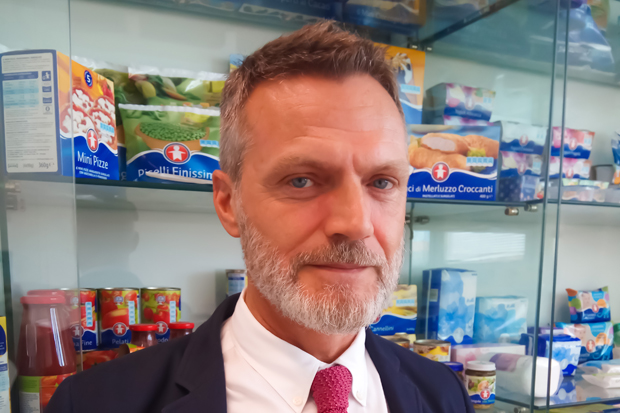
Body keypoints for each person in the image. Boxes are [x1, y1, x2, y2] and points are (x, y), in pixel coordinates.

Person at [48, 22, 474, 413]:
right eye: (302, 180)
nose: (355, 223)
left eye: (382, 182)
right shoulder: (91, 404)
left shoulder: (444, 393)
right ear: (228, 203)